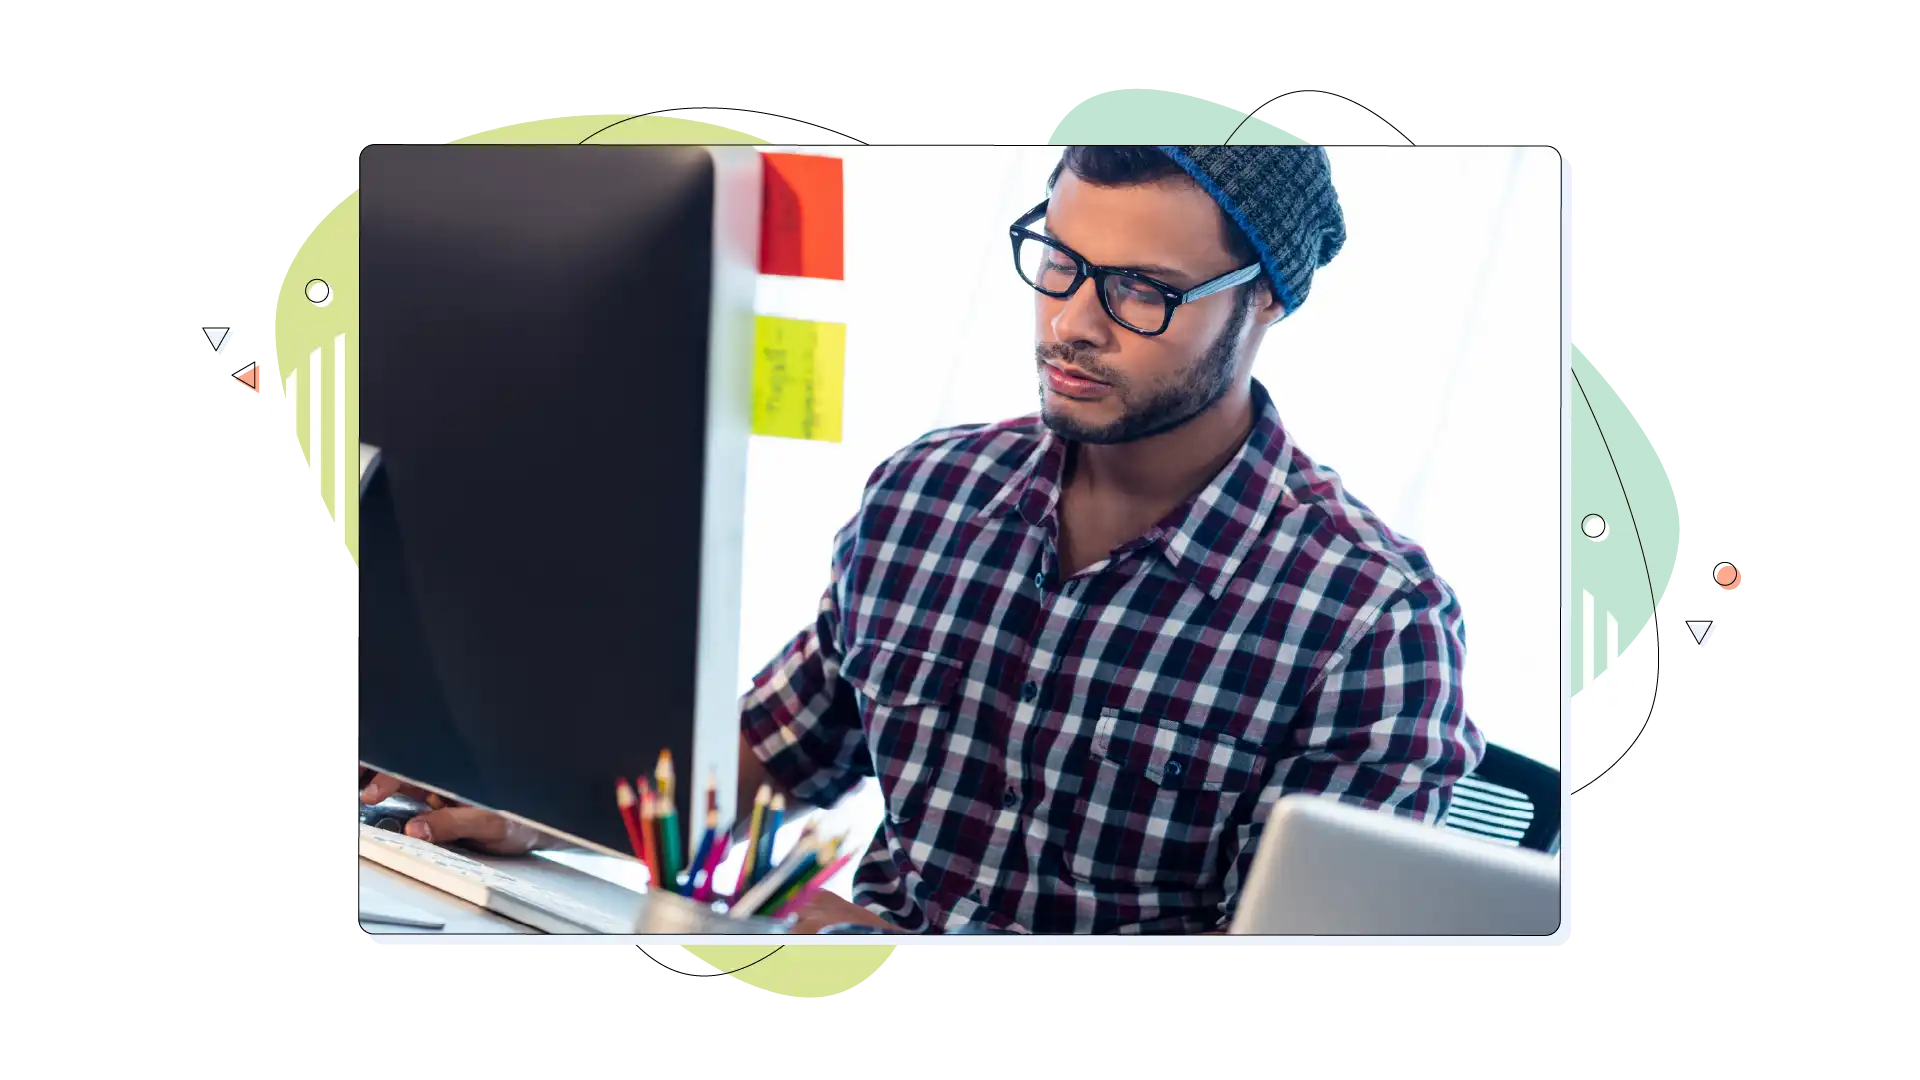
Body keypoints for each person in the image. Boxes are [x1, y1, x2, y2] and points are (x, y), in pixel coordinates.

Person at [361, 144, 1486, 934]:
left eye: (1144, 291)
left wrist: (851, 943)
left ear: (1269, 303)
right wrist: (552, 813)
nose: (1073, 323)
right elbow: (763, 776)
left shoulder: (1371, 621)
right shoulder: (934, 494)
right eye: (1059, 261)